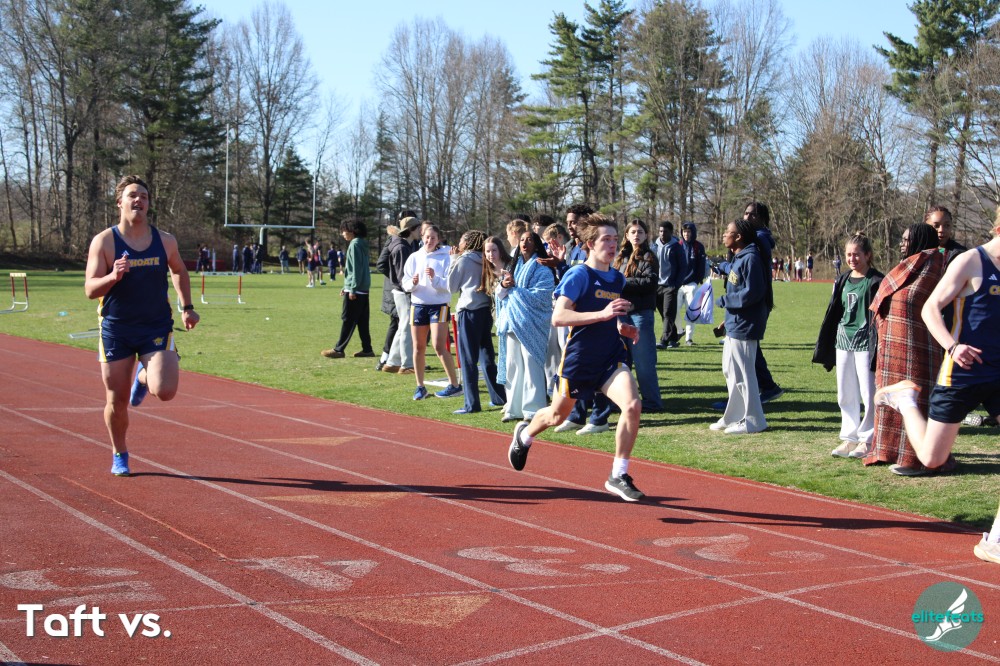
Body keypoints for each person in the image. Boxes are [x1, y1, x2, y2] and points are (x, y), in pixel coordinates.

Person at [875, 214, 1000, 568]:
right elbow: (931, 308)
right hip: (961, 373)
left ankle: (995, 540)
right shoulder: (971, 261)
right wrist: (952, 346)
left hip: (998, 374)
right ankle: (904, 400)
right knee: (932, 459)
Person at [507, 213, 644, 502]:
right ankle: (525, 435)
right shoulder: (579, 275)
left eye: (615, 239)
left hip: (610, 356)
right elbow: (559, 317)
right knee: (557, 415)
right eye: (606, 239)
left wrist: (622, 325)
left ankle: (618, 474)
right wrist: (602, 314)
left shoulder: (617, 277)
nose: (613, 244)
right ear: (590, 244)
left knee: (632, 405)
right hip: (580, 358)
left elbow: (613, 315)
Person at [83, 174, 200, 476]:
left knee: (166, 390)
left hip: (155, 327)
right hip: (117, 329)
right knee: (117, 401)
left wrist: (187, 307)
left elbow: (179, 270)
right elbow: (90, 289)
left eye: (144, 196)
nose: (139, 200)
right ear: (119, 202)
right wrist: (113, 277)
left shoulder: (165, 240)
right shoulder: (105, 241)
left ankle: (144, 377)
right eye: (133, 195)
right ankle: (119, 453)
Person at [864, 224, 946, 475]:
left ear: (920, 240)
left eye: (907, 239)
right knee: (893, 396)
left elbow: (914, 299)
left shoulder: (934, 264)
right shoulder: (910, 265)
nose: (902, 244)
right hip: (895, 343)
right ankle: (888, 450)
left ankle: (916, 457)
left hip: (918, 346)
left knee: (915, 399)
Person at [812, 232, 884, 458]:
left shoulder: (876, 281)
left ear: (868, 255)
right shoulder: (842, 280)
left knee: (868, 392)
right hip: (843, 342)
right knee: (845, 392)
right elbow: (835, 311)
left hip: (865, 344)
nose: (852, 259)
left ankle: (867, 439)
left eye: (857, 254)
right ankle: (849, 437)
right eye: (849, 254)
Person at [710, 218, 772, 434]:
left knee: (745, 374)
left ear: (738, 237)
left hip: (746, 325)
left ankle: (754, 421)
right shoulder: (740, 257)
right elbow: (736, 278)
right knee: (730, 371)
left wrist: (725, 301)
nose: (724, 235)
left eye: (727, 231)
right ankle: (734, 416)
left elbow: (753, 293)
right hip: (735, 323)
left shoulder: (751, 258)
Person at [496, 230, 556, 422]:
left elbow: (543, 296)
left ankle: (533, 409)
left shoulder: (543, 269)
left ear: (536, 244)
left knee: (531, 366)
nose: (525, 243)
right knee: (513, 366)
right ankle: (513, 408)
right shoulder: (513, 267)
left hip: (533, 324)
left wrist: (514, 290)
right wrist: (504, 286)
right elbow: (500, 294)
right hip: (512, 322)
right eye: (522, 239)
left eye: (529, 240)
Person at [447, 230, 506, 414]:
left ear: (468, 242)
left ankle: (471, 404)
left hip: (469, 311)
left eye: (461, 240)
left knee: (468, 359)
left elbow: (451, 286)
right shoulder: (485, 258)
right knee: (486, 356)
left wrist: (453, 260)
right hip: (485, 311)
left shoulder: (464, 260)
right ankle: (499, 397)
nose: (459, 243)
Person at [403, 224, 461, 400]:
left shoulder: (446, 256)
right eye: (427, 237)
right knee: (418, 347)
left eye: (433, 238)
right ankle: (420, 387)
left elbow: (450, 284)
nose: (429, 240)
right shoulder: (414, 257)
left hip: (439, 305)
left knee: (438, 345)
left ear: (438, 239)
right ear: (422, 237)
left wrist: (435, 278)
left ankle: (455, 385)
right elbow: (405, 283)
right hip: (418, 305)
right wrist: (412, 283)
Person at [614, 219, 663, 412]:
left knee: (644, 361)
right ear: (626, 235)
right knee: (621, 361)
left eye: (640, 232)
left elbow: (650, 283)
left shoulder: (649, 257)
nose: (636, 235)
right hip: (620, 314)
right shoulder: (620, 257)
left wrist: (623, 282)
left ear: (646, 235)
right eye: (633, 232)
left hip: (640, 313)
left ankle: (652, 402)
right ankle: (621, 400)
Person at [321, 219, 373, 359]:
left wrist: (352, 288)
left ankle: (339, 349)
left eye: (344, 230)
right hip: (363, 289)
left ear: (352, 231)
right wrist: (346, 287)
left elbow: (355, 268)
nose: (342, 233)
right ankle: (367, 349)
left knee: (348, 319)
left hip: (356, 289)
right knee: (362, 321)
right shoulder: (362, 243)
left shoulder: (354, 244)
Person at [382, 215, 421, 374]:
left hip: (402, 291)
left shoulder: (405, 245)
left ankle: (392, 362)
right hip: (403, 292)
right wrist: (410, 290)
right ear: (411, 230)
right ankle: (406, 365)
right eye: (418, 228)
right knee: (406, 327)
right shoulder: (401, 248)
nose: (420, 231)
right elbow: (402, 275)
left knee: (403, 326)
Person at [676, 222, 707, 346]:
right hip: (678, 284)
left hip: (692, 284)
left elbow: (701, 266)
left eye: (688, 232)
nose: (686, 234)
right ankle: (680, 331)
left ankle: (689, 338)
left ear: (693, 232)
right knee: (673, 311)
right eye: (684, 232)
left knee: (692, 311)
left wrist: (696, 281)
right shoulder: (677, 245)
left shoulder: (699, 246)